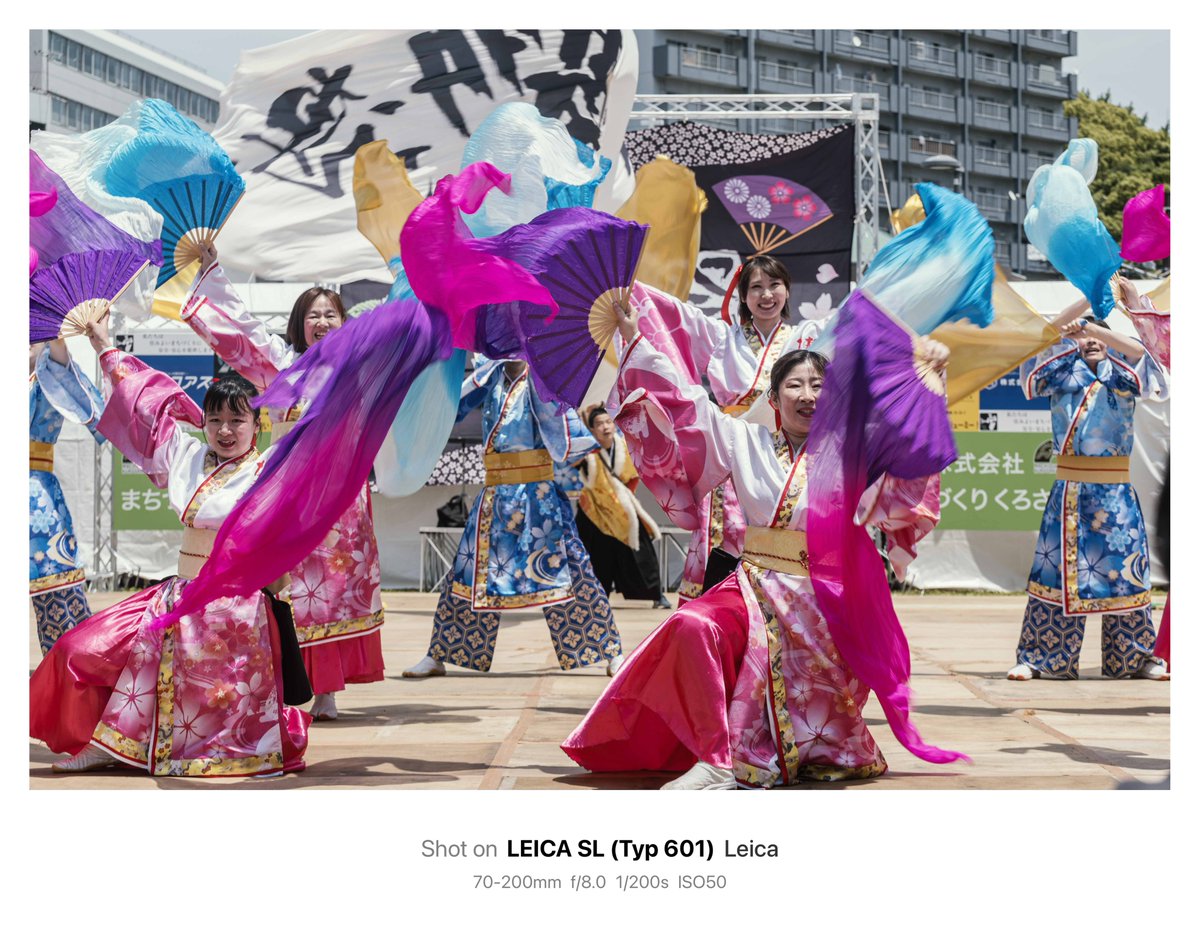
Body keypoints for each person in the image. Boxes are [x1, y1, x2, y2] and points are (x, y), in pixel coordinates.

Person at [562, 303, 949, 789]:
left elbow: (913, 451)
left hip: (829, 596)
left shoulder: (857, 450)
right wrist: (635, 339)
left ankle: (800, 745)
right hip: (756, 585)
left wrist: (929, 383)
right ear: (774, 395)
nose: (808, 396)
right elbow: (684, 403)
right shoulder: (744, 441)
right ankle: (718, 759)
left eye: (819, 386)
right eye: (795, 385)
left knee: (820, 711)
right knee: (692, 623)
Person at [30, 317, 309, 775]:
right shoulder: (188, 455)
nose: (224, 429)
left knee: (206, 693)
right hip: (180, 591)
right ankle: (107, 740)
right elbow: (144, 404)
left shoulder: (269, 472)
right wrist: (103, 346)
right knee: (79, 649)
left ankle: (129, 746)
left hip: (238, 606)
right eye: (214, 419)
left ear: (256, 425)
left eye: (236, 420)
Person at [179, 245, 384, 721]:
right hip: (287, 495)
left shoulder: (356, 371)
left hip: (338, 501)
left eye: (330, 314)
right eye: (312, 315)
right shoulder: (279, 363)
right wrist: (212, 268)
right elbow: (242, 331)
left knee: (328, 592)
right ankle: (272, 681)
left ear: (343, 321)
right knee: (281, 587)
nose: (321, 322)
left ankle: (327, 691)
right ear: (299, 323)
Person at [403, 357, 624, 678]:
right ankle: (439, 653)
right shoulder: (488, 377)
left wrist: (592, 435)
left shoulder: (544, 378)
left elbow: (564, 424)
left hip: (540, 498)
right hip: (495, 494)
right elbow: (451, 405)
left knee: (573, 571)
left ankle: (610, 649)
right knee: (466, 575)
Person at [628, 256, 830, 602]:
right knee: (725, 535)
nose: (766, 295)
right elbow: (673, 314)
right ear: (743, 297)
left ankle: (785, 603)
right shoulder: (722, 337)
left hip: (790, 451)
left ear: (787, 290)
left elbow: (858, 326)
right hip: (734, 449)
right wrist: (629, 289)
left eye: (774, 285)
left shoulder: (808, 335)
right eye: (756, 287)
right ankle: (717, 616)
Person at [1007, 315, 1169, 680]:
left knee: (1126, 573)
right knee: (1055, 574)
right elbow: (1032, 369)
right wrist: (1069, 328)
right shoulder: (1062, 374)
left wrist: (1096, 330)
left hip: (1114, 495)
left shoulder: (1124, 374)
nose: (1092, 341)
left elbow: (1150, 361)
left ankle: (1136, 657)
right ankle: (1040, 657)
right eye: (1084, 336)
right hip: (1068, 492)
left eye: (1098, 335)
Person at [29, 339, 104, 653]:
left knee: (58, 594)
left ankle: (69, 676)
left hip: (34, 497)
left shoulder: (48, 370)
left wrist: (54, 339)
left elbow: (90, 405)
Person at [574, 406, 672, 609]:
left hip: (622, 507)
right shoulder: (588, 453)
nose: (604, 427)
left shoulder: (624, 448)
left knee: (641, 553)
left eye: (607, 422)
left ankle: (656, 594)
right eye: (599, 424)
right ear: (592, 430)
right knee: (597, 557)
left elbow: (634, 475)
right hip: (596, 510)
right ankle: (594, 598)